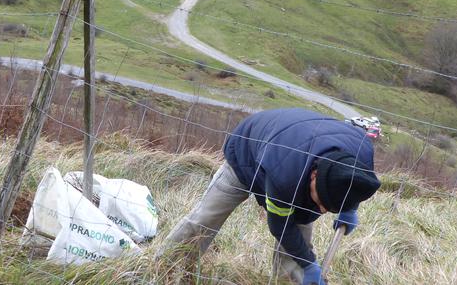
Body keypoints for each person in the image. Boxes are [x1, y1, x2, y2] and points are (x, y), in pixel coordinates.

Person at [160, 108, 380, 285]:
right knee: (206, 218)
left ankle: (290, 281)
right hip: (248, 151)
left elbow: (354, 181)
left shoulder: (361, 154)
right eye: (321, 202)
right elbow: (280, 225)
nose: (322, 210)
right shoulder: (285, 176)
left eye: (328, 208)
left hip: (295, 143)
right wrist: (310, 263)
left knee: (300, 233)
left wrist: (349, 209)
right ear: (314, 175)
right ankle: (166, 268)